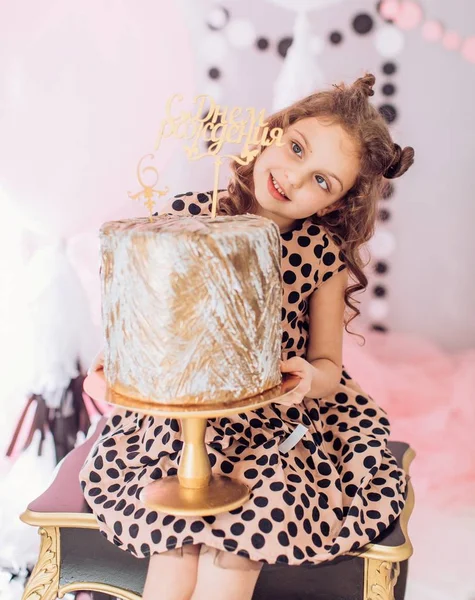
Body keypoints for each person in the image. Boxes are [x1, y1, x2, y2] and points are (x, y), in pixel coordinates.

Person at [79, 73, 415, 600]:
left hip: (273, 424)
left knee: (242, 533)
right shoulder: (188, 218)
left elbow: (327, 365)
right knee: (175, 544)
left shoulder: (319, 257)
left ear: (332, 205)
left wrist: (308, 377)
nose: (295, 177)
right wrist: (119, 362)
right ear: (271, 133)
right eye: (296, 148)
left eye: (322, 181)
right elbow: (146, 321)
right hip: (183, 416)